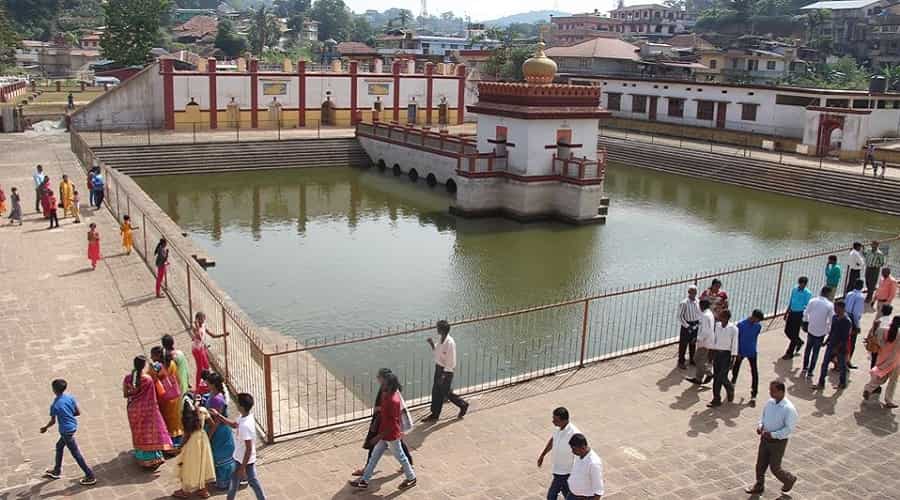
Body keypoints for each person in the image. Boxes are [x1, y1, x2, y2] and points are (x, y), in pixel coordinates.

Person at [350, 372, 417, 490]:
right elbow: (387, 412)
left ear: (388, 385)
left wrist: (378, 436)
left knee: (401, 457)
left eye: (382, 382)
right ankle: (364, 481)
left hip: (390, 435)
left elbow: (392, 423)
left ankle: (411, 477)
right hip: (385, 434)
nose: (380, 384)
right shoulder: (388, 395)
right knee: (374, 457)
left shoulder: (393, 400)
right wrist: (380, 409)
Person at [209, 393, 268, 500]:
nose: (236, 404)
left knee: (252, 481)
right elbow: (234, 425)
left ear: (241, 407)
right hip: (238, 457)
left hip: (245, 461)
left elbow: (248, 449)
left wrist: (242, 467)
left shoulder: (245, 426)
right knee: (235, 480)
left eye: (238, 403)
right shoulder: (243, 417)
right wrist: (218, 415)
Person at [744, 380, 798, 495]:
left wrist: (773, 434)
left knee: (775, 467)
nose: (770, 393)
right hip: (764, 439)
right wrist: (760, 426)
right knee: (760, 465)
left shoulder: (789, 409)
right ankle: (759, 485)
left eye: (773, 391)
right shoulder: (769, 403)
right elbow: (763, 417)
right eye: (770, 390)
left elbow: (789, 429)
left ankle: (789, 479)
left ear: (781, 391)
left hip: (778, 442)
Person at [39, 379, 96, 486]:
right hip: (73, 427)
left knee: (76, 454)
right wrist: (68, 415)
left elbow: (53, 421)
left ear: (54, 390)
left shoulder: (55, 405)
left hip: (66, 431)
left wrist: (45, 428)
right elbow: (77, 412)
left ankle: (90, 475)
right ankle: (56, 470)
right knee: (59, 446)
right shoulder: (70, 397)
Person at [124, 355, 173, 469]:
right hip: (148, 410)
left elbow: (126, 394)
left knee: (139, 434)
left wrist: (134, 391)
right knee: (151, 433)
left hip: (134, 410)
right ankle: (154, 457)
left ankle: (142, 458)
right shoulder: (148, 379)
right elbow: (153, 396)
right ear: (144, 366)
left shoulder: (128, 378)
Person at [422, 320, 469, 421]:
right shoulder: (440, 339)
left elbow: (450, 361)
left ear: (442, 330)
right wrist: (431, 344)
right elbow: (438, 352)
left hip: (446, 372)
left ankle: (463, 405)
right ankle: (434, 414)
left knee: (446, 392)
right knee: (436, 392)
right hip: (438, 369)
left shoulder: (450, 343)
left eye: (438, 327)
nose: (436, 329)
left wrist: (443, 375)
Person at [173, 403, 216, 499]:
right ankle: (203, 490)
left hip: (192, 444)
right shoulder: (203, 410)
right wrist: (207, 437)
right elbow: (213, 425)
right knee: (203, 464)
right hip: (203, 439)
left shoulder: (188, 419)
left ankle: (186, 491)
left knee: (189, 466)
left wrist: (179, 447)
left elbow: (186, 436)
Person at [537, 407, 580, 500]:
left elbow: (580, 455)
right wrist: (542, 455)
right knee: (567, 493)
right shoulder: (558, 428)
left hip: (566, 472)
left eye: (556, 420)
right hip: (557, 468)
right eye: (553, 418)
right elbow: (553, 440)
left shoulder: (574, 434)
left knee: (551, 496)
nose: (553, 422)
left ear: (564, 420)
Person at [149, 345, 185, 448]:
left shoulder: (156, 368)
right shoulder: (172, 364)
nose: (151, 358)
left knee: (167, 421)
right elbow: (177, 378)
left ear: (157, 356)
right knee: (176, 420)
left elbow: (152, 380)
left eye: (152, 356)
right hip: (175, 396)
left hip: (164, 398)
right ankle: (178, 441)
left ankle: (169, 444)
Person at [204, 372, 235, 489]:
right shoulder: (213, 394)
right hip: (213, 427)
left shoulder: (217, 399)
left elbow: (216, 422)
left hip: (218, 431)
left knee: (220, 455)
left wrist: (209, 435)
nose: (206, 383)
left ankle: (224, 481)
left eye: (208, 382)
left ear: (213, 384)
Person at [864, 316, 900, 408]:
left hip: (882, 357)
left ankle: (869, 388)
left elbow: (876, 339)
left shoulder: (882, 330)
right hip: (895, 360)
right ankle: (889, 400)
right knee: (893, 381)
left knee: (881, 376)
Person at [815, 300, 852, 390]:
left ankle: (842, 383)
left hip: (840, 348)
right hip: (831, 344)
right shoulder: (834, 317)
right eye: (835, 308)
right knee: (824, 364)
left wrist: (837, 348)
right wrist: (826, 341)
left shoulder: (847, 321)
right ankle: (821, 383)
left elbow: (845, 338)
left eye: (837, 308)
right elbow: (832, 331)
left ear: (842, 308)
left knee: (842, 366)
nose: (835, 310)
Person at [732, 309, 765, 404]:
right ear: (753, 317)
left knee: (754, 372)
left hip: (752, 351)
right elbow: (736, 339)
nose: (758, 322)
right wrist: (737, 352)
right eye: (757, 320)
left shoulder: (758, 326)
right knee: (736, 367)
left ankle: (754, 394)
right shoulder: (741, 325)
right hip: (741, 351)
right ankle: (733, 383)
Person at [707, 309, 738, 408]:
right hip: (717, 354)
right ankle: (716, 399)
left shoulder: (733, 328)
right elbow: (714, 339)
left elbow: (734, 343)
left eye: (721, 316)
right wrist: (711, 353)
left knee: (722, 376)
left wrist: (733, 357)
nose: (719, 317)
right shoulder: (717, 326)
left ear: (726, 318)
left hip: (726, 355)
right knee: (716, 377)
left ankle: (730, 388)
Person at [801, 287, 834, 379]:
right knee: (816, 352)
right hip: (821, 333)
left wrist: (805, 323)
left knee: (808, 350)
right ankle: (811, 370)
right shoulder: (830, 305)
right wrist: (828, 332)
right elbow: (831, 321)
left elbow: (806, 313)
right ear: (828, 294)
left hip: (811, 329)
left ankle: (804, 367)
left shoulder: (812, 301)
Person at [566, 433, 604, 500]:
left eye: (574, 449)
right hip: (572, 495)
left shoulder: (593, 463)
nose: (572, 451)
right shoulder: (579, 454)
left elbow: (598, 490)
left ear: (583, 447)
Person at [686, 299, 714, 385]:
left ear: (702, 306)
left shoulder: (705, 316)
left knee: (697, 359)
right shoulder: (709, 314)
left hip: (705, 342)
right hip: (707, 340)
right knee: (701, 360)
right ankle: (698, 379)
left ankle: (709, 373)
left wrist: (697, 339)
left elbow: (705, 331)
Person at [783, 277, 812, 359]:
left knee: (795, 333)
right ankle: (798, 342)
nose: (801, 286)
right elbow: (791, 301)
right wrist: (786, 312)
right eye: (800, 284)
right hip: (792, 312)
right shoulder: (794, 289)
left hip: (799, 314)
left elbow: (808, 306)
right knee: (787, 331)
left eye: (803, 285)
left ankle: (789, 353)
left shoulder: (807, 293)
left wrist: (805, 317)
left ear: (805, 284)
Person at [677, 285, 702, 369]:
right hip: (687, 325)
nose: (694, 294)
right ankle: (681, 361)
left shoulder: (698, 301)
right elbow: (680, 316)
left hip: (695, 324)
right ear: (689, 293)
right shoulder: (684, 303)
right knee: (683, 344)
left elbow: (699, 313)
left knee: (693, 343)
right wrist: (687, 326)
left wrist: (699, 323)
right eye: (692, 292)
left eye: (695, 292)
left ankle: (692, 359)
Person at [845, 279, 866, 370]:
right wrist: (857, 326)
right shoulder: (860, 297)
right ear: (862, 286)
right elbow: (856, 313)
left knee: (843, 339)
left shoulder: (849, 294)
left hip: (846, 316)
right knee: (851, 342)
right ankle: (847, 361)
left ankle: (837, 361)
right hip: (852, 320)